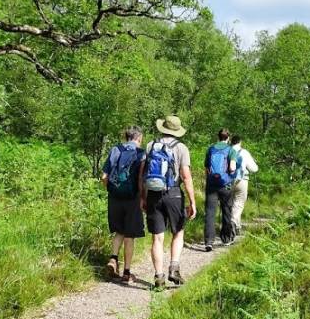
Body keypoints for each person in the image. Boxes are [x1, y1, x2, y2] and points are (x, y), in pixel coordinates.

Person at [140, 115, 196, 290]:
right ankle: (174, 268)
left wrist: (143, 196)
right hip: (173, 193)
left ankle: (158, 277)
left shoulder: (150, 146)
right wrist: (192, 201)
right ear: (176, 131)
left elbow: (142, 174)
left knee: (157, 237)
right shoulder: (181, 148)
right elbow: (186, 176)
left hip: (153, 194)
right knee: (178, 231)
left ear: (162, 128)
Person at [101, 126, 146, 283]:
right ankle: (126, 273)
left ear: (126, 137)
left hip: (115, 196)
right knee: (130, 235)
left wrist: (111, 190)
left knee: (119, 231)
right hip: (132, 198)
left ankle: (113, 259)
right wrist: (143, 198)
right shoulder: (141, 153)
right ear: (139, 137)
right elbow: (141, 179)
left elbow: (104, 176)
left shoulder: (116, 149)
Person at [203, 128, 241, 250]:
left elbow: (207, 168)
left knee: (210, 212)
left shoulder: (211, 149)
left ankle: (209, 241)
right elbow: (232, 168)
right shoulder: (231, 150)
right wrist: (232, 174)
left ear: (218, 137)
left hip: (212, 185)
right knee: (226, 211)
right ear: (228, 137)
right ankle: (226, 238)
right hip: (226, 185)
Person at [229, 135, 259, 236]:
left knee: (231, 203)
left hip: (227, 180)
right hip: (241, 180)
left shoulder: (227, 151)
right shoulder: (244, 152)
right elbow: (254, 169)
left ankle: (237, 226)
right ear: (240, 142)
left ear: (231, 142)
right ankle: (233, 222)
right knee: (239, 202)